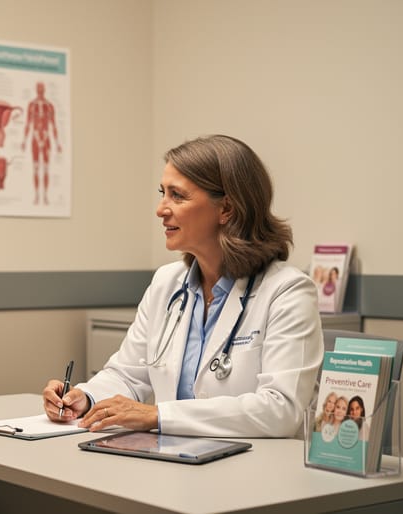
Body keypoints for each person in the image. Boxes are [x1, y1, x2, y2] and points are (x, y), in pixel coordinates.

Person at [42, 134, 323, 438]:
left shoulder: (287, 291)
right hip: (172, 458)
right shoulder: (167, 283)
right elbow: (128, 374)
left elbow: (281, 409)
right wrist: (84, 398)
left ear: (226, 209)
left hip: (251, 463)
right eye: (162, 193)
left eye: (177, 196)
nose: (161, 209)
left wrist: (159, 415)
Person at [21, 82, 61, 205]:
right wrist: (24, 140)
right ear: (36, 90)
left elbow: (53, 125)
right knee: (36, 168)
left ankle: (45, 196)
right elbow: (28, 123)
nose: (40, 91)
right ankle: (37, 195)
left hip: (46, 138)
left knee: (46, 169)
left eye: (42, 88)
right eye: (38, 88)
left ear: (44, 90)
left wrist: (57, 143)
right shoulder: (31, 105)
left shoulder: (49, 106)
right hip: (35, 138)